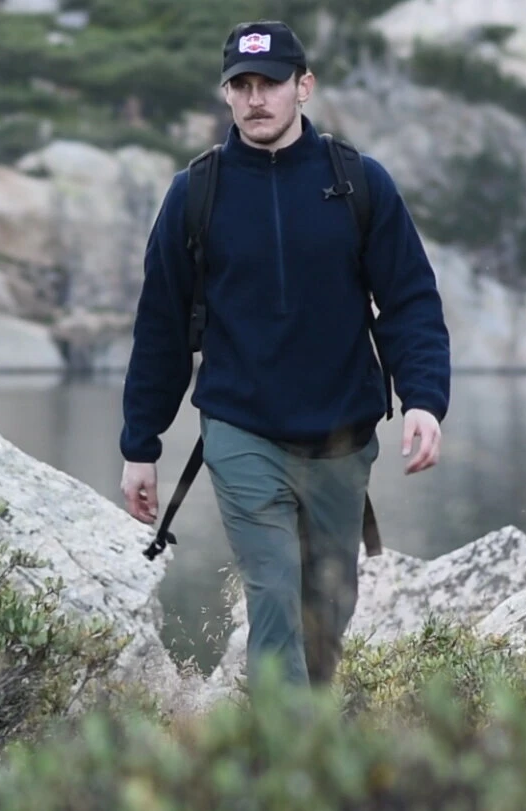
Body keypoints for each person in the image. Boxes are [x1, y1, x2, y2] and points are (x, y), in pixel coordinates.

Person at [118, 20, 452, 692]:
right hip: (242, 430)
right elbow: (159, 329)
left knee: (326, 610)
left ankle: (308, 744)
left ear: (303, 86)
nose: (254, 98)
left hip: (342, 433)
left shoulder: (359, 183)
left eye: (268, 83)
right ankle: (284, 772)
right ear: (226, 96)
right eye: (239, 85)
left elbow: (410, 300)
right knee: (273, 592)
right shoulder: (195, 194)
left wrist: (423, 399)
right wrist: (140, 444)